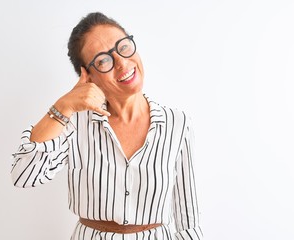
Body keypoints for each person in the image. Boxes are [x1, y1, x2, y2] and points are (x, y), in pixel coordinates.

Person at [11, 12, 203, 240]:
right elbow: (24, 175)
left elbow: (187, 221)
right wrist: (63, 106)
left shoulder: (177, 124)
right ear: (88, 76)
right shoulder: (74, 122)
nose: (122, 63)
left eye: (123, 47)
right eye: (103, 60)